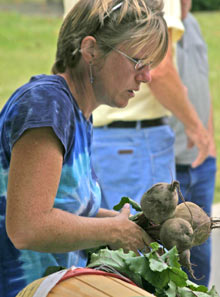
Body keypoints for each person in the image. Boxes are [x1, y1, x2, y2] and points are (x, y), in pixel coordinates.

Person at [0, 0, 169, 296]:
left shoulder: (78, 112)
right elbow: (27, 227)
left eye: (150, 65)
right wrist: (114, 231)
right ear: (91, 49)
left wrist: (132, 224)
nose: (146, 76)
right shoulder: (46, 104)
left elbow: (64, 209)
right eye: (137, 61)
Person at [91, 0, 210, 213]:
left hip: (95, 133)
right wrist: (195, 127)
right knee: (148, 239)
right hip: (138, 143)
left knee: (104, 238)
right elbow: (159, 69)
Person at [168, 0, 217, 286]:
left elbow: (202, 86)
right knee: (170, 253)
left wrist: (208, 140)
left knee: (201, 243)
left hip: (202, 161)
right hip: (172, 162)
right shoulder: (155, 27)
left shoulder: (194, 25)